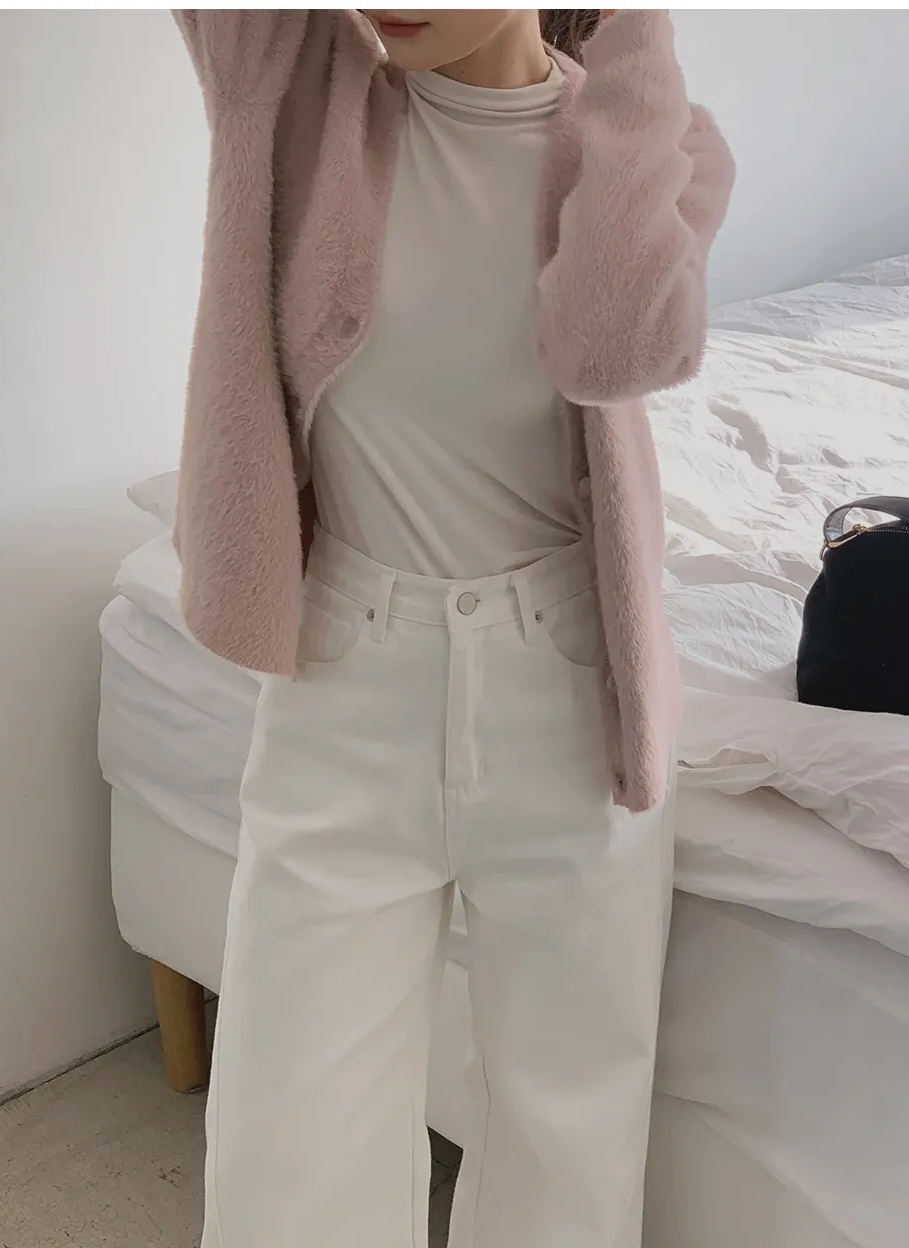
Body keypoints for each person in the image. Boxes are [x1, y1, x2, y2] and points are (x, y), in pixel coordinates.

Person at [173, 8, 734, 1247]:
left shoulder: (662, 145)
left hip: (569, 690)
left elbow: (611, 348)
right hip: (344, 680)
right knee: (287, 1150)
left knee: (565, 1146)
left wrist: (628, 39)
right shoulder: (296, 90)